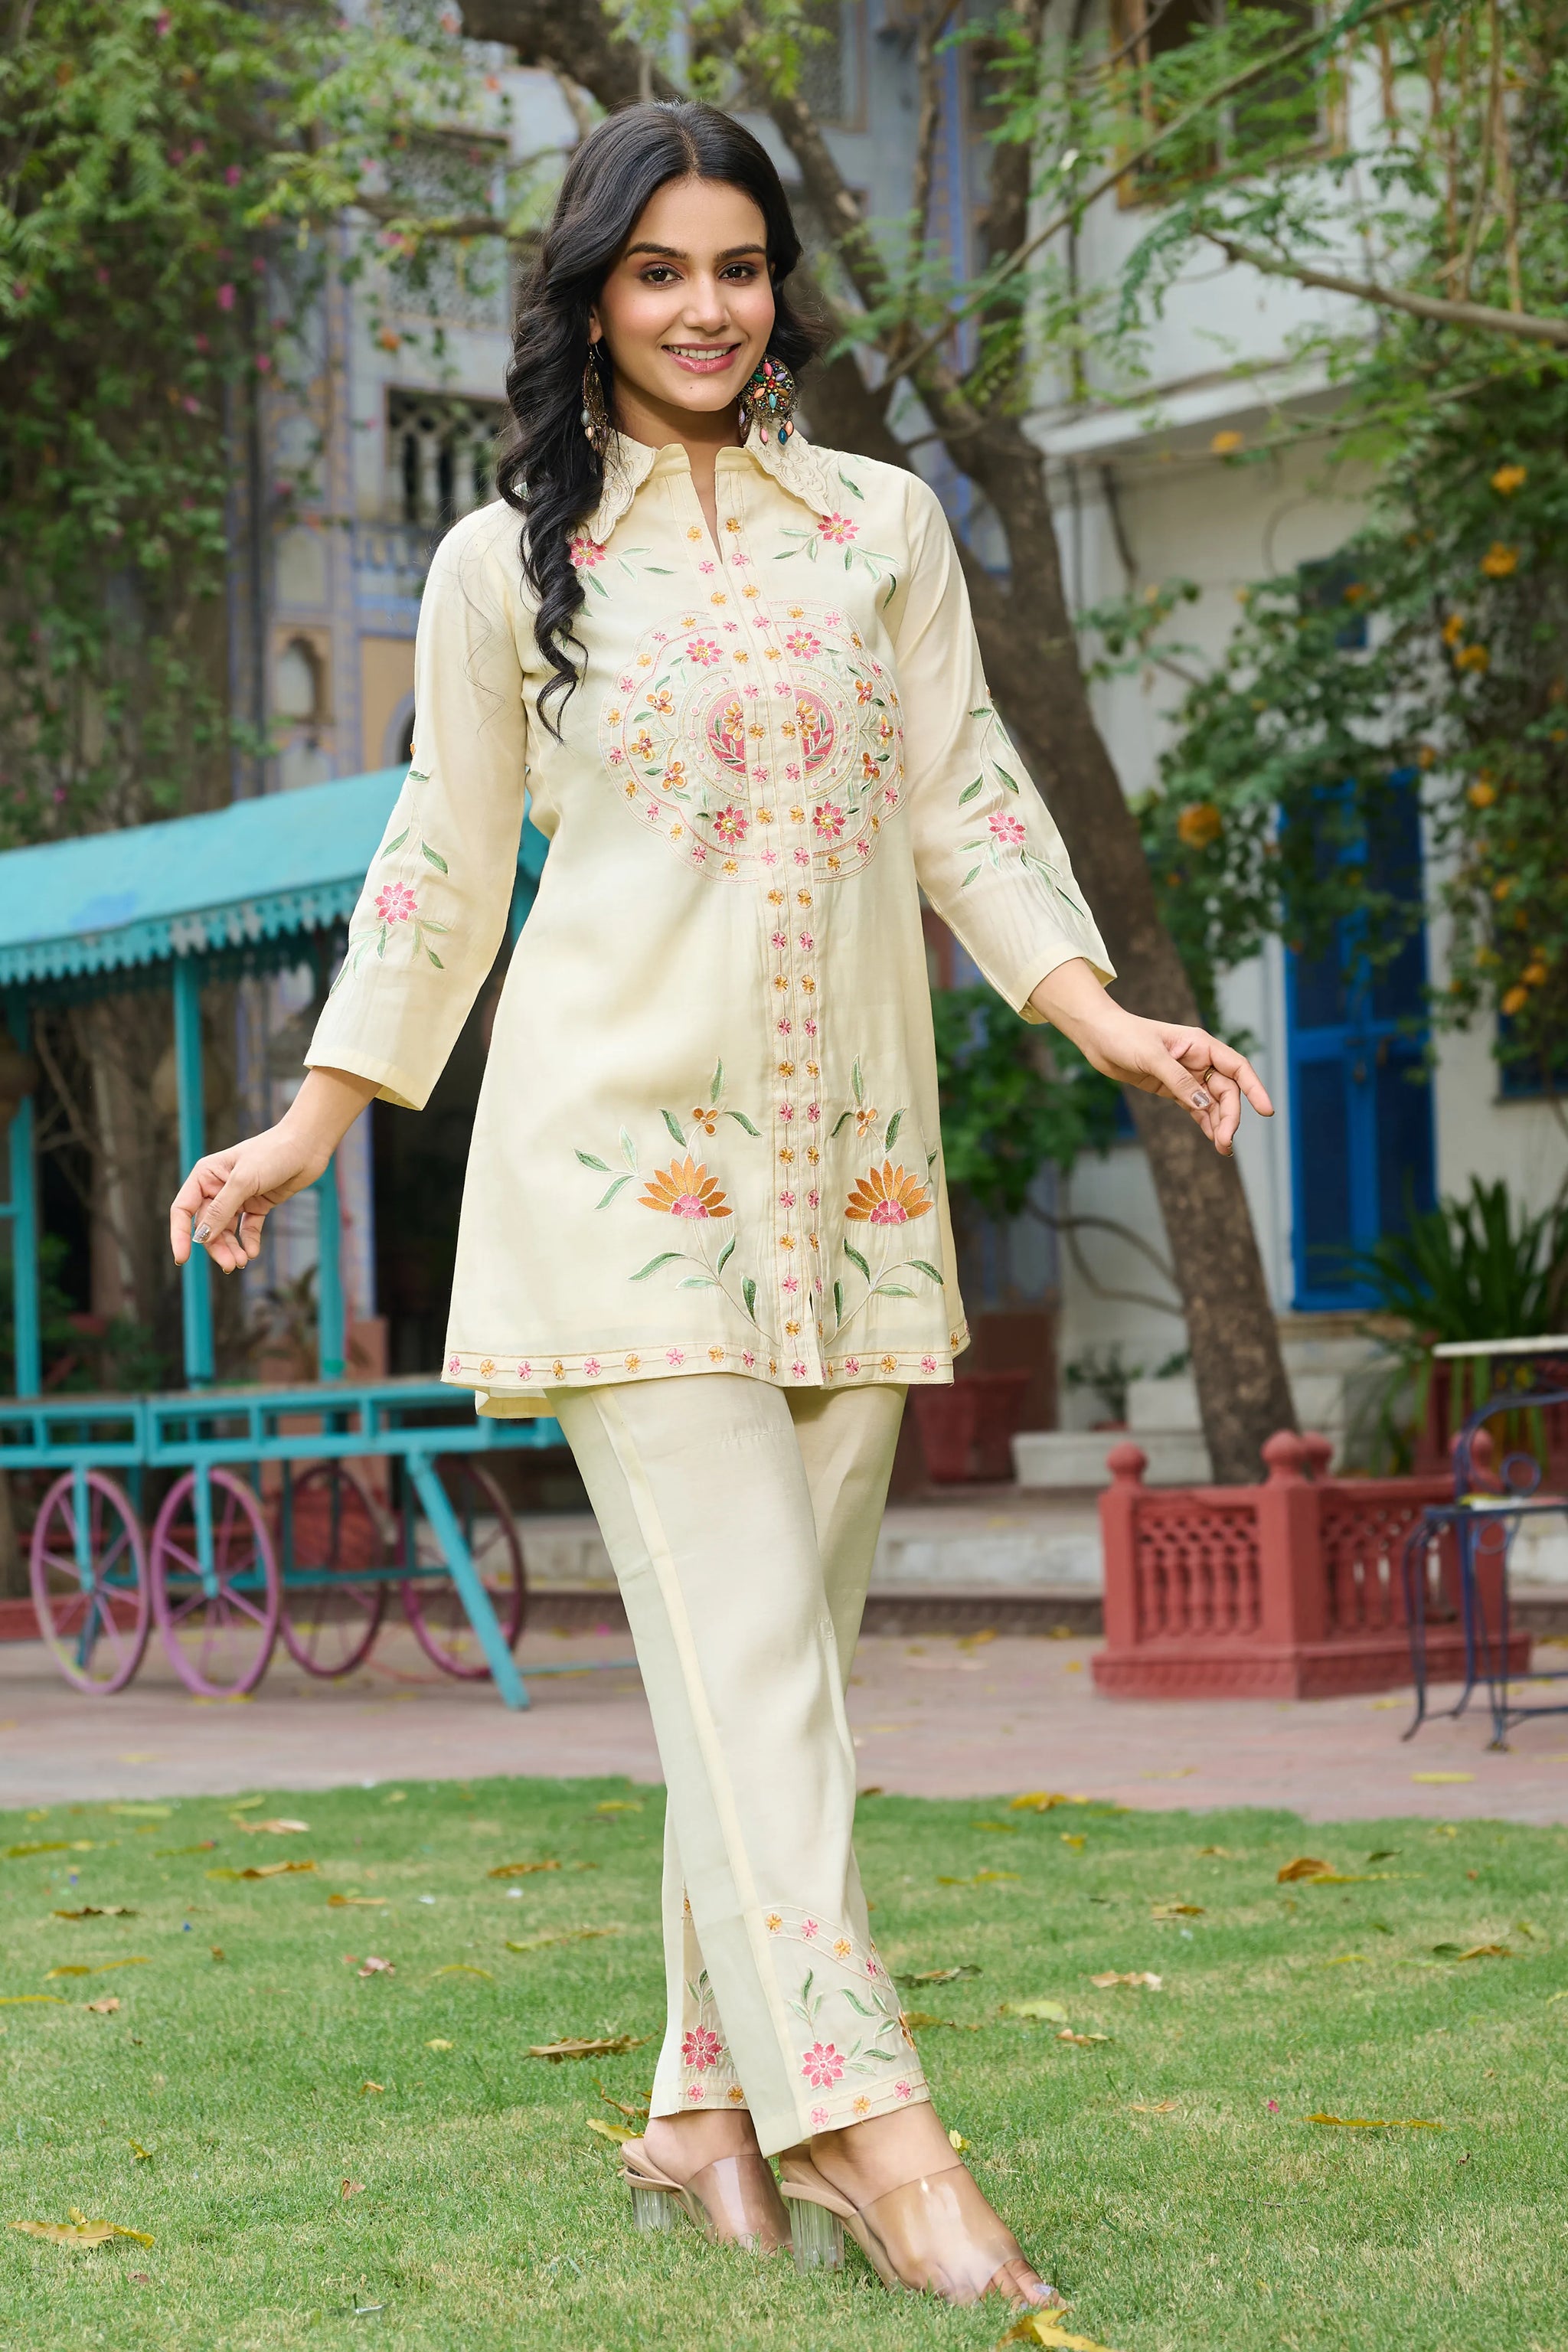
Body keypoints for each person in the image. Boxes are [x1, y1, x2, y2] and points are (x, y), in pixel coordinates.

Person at [170, 100, 1272, 2308]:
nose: (704, 308)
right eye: (658, 271)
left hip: (850, 1187)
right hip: (619, 1175)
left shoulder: (881, 526)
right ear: (593, 295)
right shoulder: (508, 565)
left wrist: (1101, 1018)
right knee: (759, 1663)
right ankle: (874, 2129)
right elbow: (442, 860)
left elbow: (968, 796)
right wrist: (311, 1119)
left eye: (738, 267)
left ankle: (698, 2109)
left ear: (779, 286)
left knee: (768, 1681)